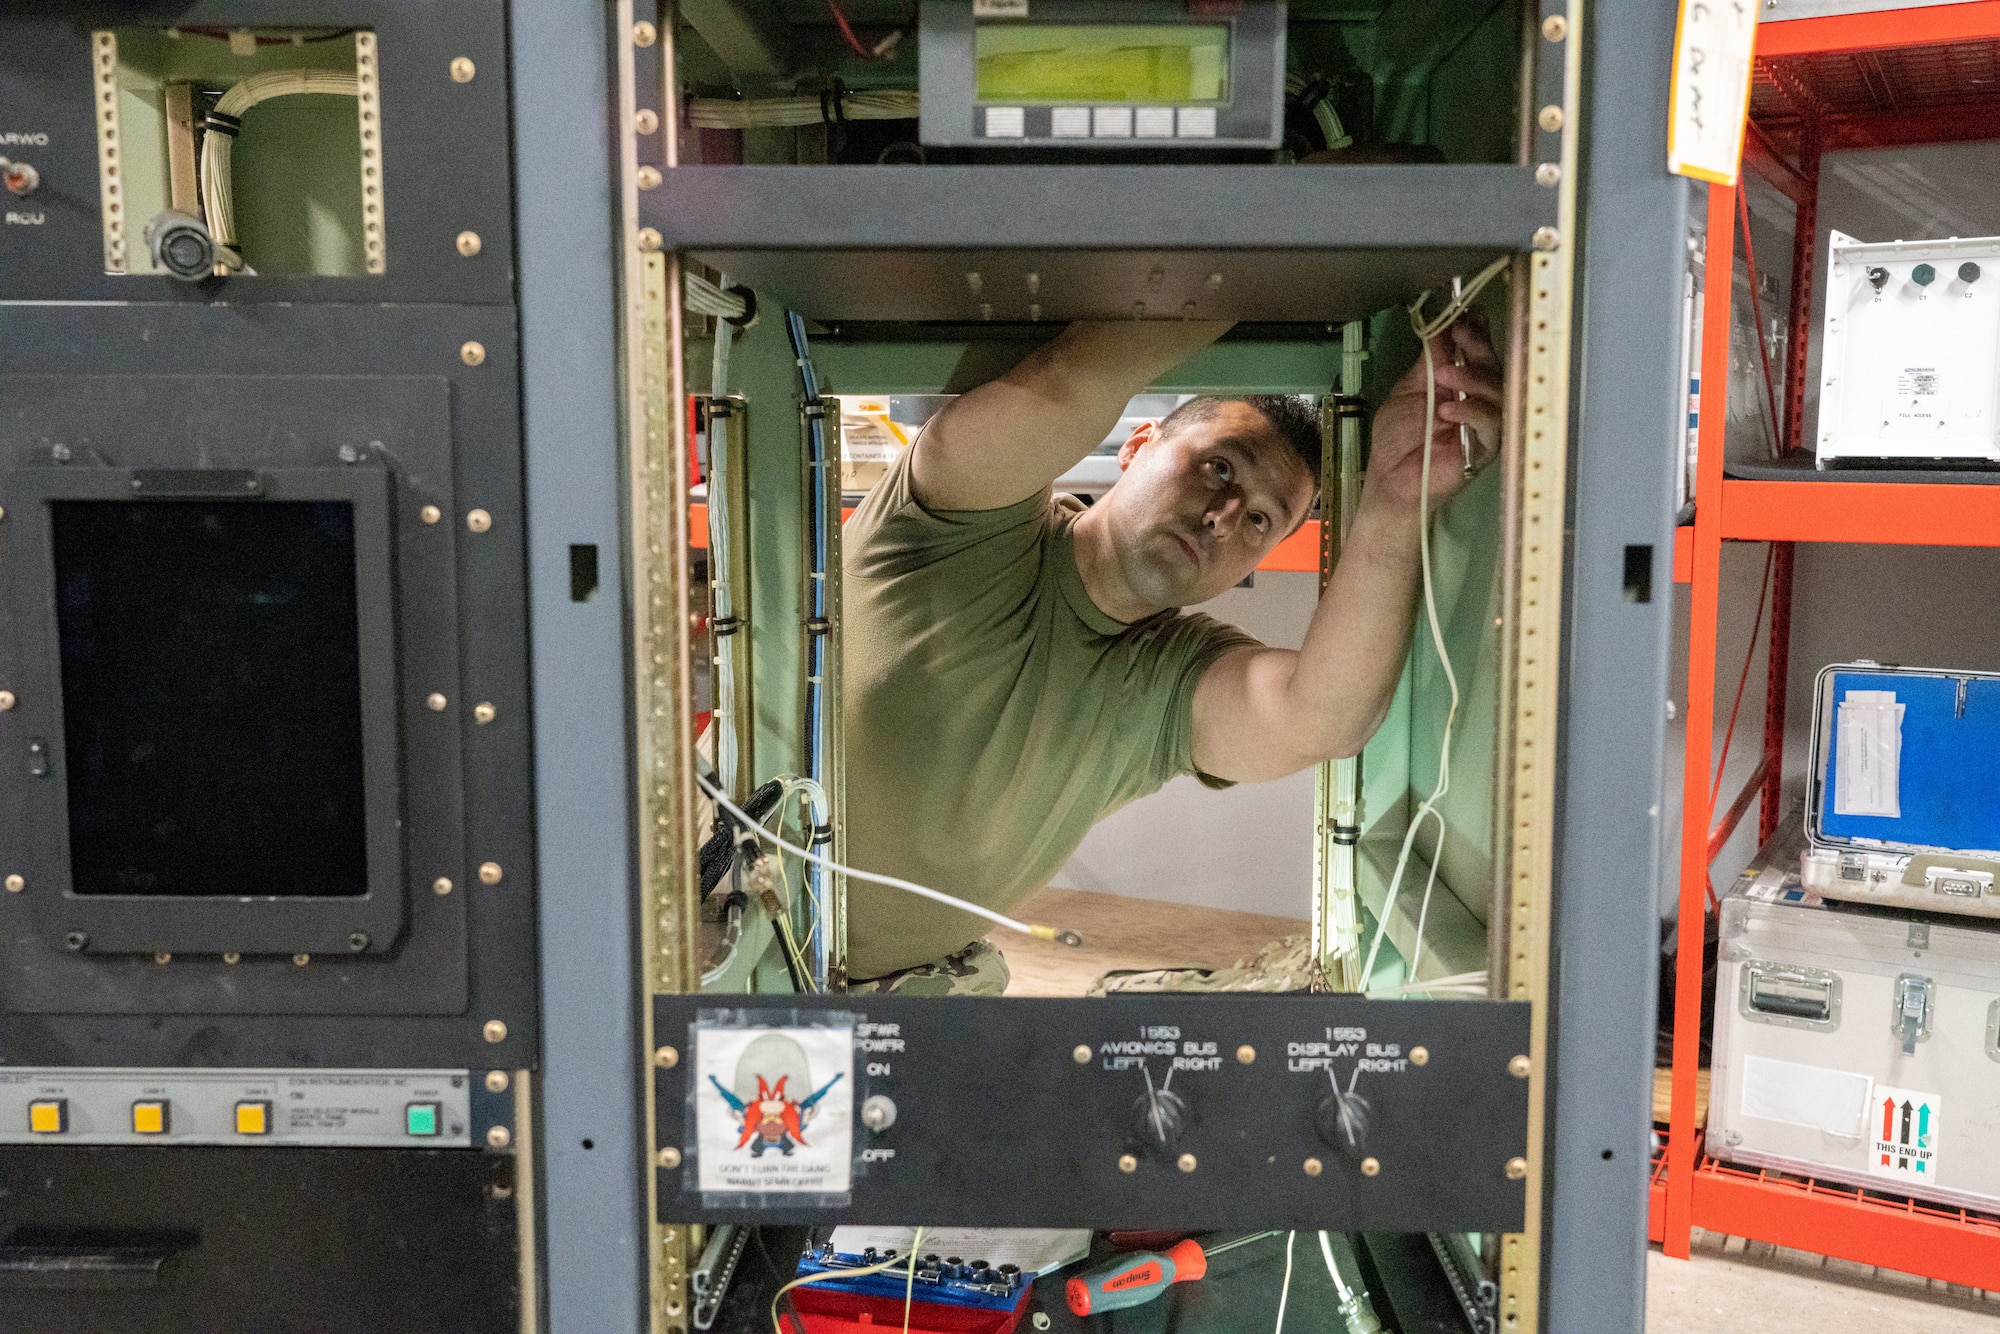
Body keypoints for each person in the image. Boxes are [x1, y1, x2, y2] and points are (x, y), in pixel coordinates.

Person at [841, 317, 1501, 993]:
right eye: (1218, 466)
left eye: (1259, 521)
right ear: (1137, 445)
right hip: (744, 935)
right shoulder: (958, 525)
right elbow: (1061, 389)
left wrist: (1393, 506)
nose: (1223, 515)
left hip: (904, 994)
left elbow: (1318, 718)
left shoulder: (1163, 678)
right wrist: (1263, 258)